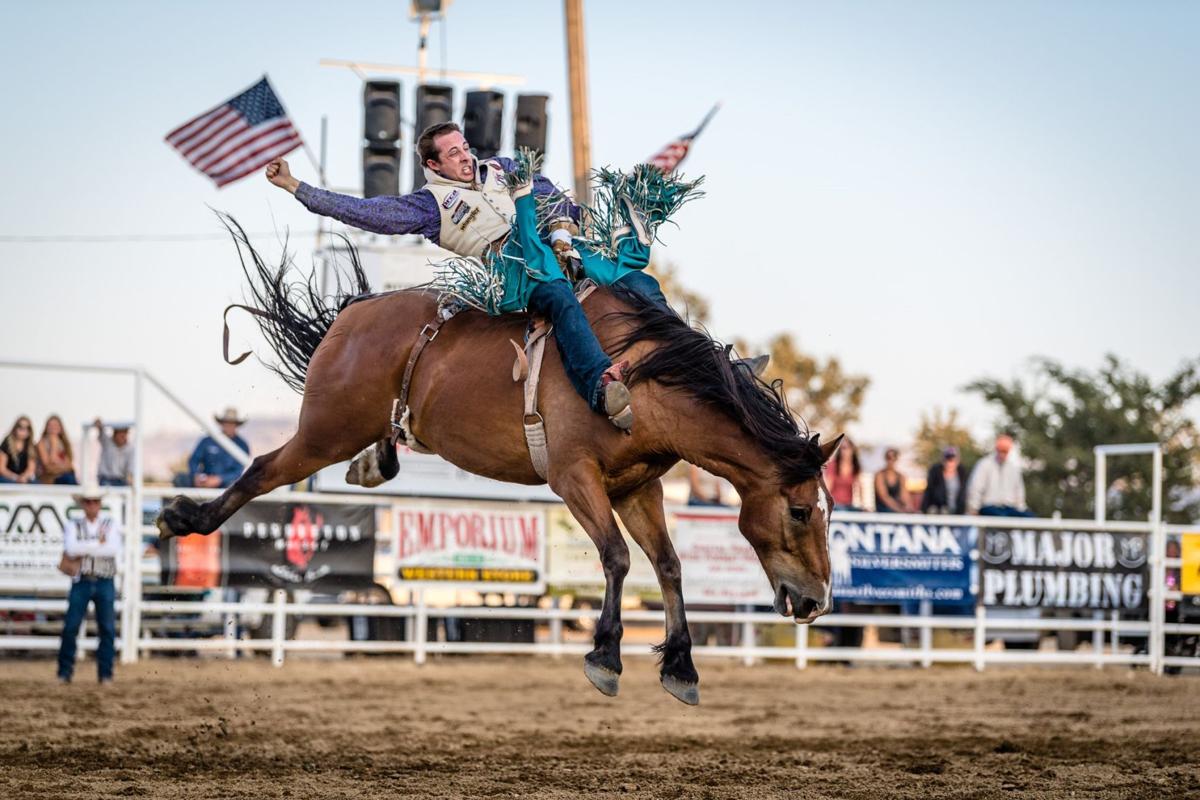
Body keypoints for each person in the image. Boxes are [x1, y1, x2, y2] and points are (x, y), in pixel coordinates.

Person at [57, 484, 122, 684]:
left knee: (107, 629)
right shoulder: (76, 525)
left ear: (99, 504)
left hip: (102, 580)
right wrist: (97, 545)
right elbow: (71, 548)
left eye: (95, 501)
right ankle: (66, 673)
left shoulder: (109, 524)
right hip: (84, 580)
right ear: (83, 504)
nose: (92, 505)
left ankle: (104, 674)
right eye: (88, 502)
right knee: (71, 626)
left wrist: (84, 548)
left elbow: (111, 550)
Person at [966, 432, 1033, 517]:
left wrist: (1021, 508)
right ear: (996, 448)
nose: (1003, 453)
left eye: (1006, 450)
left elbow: (1019, 492)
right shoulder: (984, 464)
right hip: (988, 507)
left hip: (1009, 508)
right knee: (1001, 517)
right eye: (1001, 450)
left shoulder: (1013, 468)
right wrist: (974, 508)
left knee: (1030, 517)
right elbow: (975, 488)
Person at [187, 408, 250, 488]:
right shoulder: (207, 441)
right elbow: (194, 460)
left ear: (236, 425)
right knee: (180, 479)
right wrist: (196, 475)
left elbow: (238, 470)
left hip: (226, 483)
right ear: (222, 424)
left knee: (233, 486)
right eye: (226, 423)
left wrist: (220, 479)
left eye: (232, 423)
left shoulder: (242, 445)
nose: (229, 426)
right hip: (204, 480)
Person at [921, 446, 968, 515]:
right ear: (943, 460)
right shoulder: (935, 472)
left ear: (957, 460)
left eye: (952, 459)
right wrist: (924, 509)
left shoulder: (962, 473)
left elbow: (964, 495)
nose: (949, 463)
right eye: (947, 459)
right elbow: (928, 492)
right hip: (938, 511)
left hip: (958, 512)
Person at [823, 436, 863, 511]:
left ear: (852, 449)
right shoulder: (833, 465)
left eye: (846, 448)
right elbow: (828, 486)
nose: (844, 451)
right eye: (842, 448)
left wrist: (862, 506)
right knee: (842, 510)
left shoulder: (856, 466)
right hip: (835, 505)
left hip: (849, 505)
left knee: (863, 517)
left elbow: (859, 487)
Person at [36, 414, 77, 485]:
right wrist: (54, 444)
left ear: (61, 428)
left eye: (55, 425)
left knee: (70, 478)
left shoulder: (64, 443)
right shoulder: (41, 443)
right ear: (46, 427)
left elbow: (69, 465)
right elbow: (48, 466)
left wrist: (59, 466)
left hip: (65, 476)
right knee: (68, 479)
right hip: (50, 479)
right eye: (50, 425)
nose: (53, 428)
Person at [94, 419, 133, 486]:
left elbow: (130, 468)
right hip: (106, 479)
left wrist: (130, 480)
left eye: (124, 434)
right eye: (120, 435)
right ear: (115, 434)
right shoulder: (107, 442)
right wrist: (99, 425)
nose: (123, 437)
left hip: (121, 480)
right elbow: (101, 433)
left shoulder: (130, 449)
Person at [0, 415, 38, 484]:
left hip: (24, 478)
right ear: (15, 428)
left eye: (27, 428)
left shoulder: (31, 445)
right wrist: (15, 478)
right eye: (20, 427)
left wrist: (24, 477)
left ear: (30, 431)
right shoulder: (6, 443)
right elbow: (2, 468)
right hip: (8, 477)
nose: (23, 431)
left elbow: (31, 469)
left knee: (37, 484)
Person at [873, 448, 912, 513]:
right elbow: (884, 497)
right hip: (883, 510)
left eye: (894, 457)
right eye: (889, 458)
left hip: (897, 509)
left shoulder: (901, 476)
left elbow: (904, 495)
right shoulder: (879, 475)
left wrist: (908, 507)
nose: (891, 460)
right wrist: (898, 509)